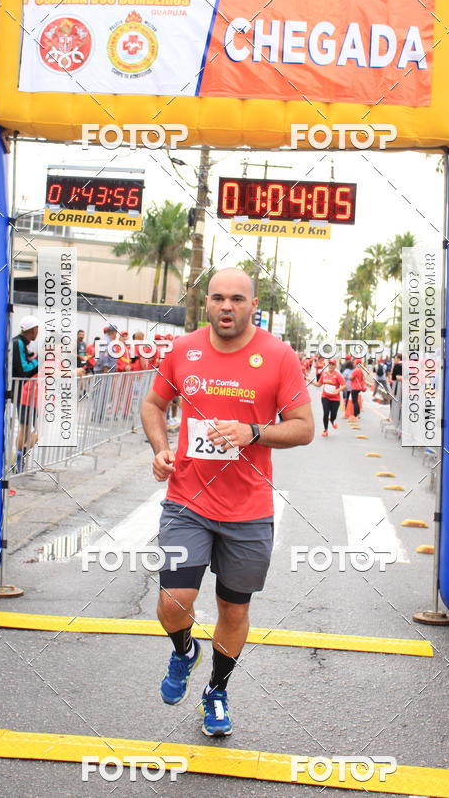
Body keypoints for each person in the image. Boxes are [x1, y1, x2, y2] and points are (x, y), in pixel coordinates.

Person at [141, 268, 314, 737]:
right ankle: (183, 651)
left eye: (237, 298)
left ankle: (216, 691)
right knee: (173, 601)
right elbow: (153, 405)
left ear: (252, 304)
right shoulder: (183, 350)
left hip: (249, 511)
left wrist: (253, 432)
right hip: (186, 502)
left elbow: (303, 426)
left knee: (233, 611)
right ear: (207, 303)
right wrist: (160, 448)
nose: (226, 306)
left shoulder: (278, 357)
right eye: (218, 297)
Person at [12, 315, 39, 472]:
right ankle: (18, 458)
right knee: (27, 427)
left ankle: (19, 459)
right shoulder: (18, 343)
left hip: (25, 393)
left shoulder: (23, 343)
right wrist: (39, 361)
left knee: (25, 427)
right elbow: (23, 370)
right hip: (23, 393)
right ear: (33, 329)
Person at [312, 358, 345, 436]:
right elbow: (319, 384)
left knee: (333, 415)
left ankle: (332, 420)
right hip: (325, 397)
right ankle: (325, 430)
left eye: (333, 364)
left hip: (335, 398)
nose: (331, 366)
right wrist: (311, 382)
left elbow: (344, 385)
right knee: (326, 413)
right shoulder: (324, 374)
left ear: (335, 366)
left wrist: (338, 390)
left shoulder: (338, 375)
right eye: (329, 364)